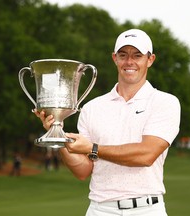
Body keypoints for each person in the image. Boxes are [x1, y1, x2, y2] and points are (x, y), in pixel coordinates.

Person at [35, 29, 181, 216]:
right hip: (100, 209)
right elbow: (83, 170)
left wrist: (93, 148)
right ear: (114, 58)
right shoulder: (92, 107)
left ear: (150, 59)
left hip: (147, 209)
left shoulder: (165, 102)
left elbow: (146, 154)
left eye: (137, 55)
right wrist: (59, 136)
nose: (129, 62)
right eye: (123, 55)